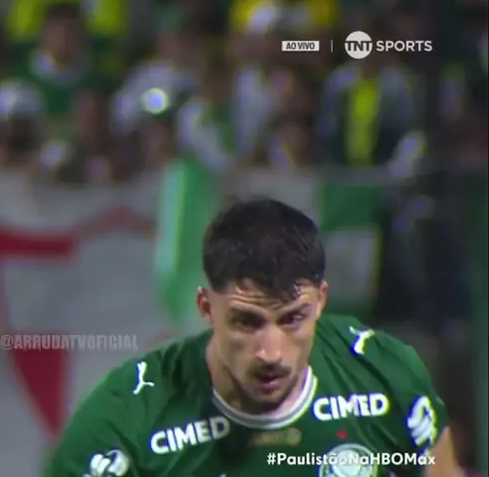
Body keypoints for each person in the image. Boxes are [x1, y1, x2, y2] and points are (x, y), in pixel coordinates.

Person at [46, 198, 463, 476]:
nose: (271, 353)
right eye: (246, 322)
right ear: (206, 308)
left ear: (321, 301)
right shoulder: (127, 419)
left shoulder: (382, 375)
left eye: (292, 319)